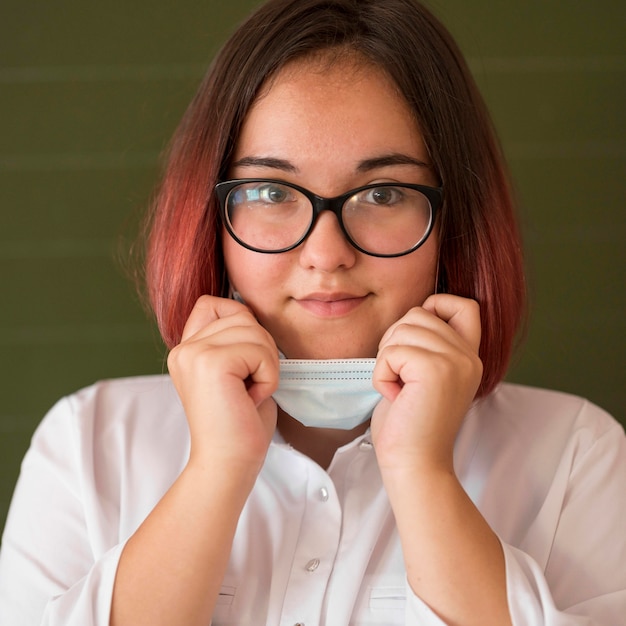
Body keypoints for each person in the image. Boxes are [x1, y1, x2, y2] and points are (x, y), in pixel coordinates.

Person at [1, 0, 625, 624]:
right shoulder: (90, 443)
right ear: (213, 219)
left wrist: (421, 472)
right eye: (271, 192)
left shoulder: (575, 454)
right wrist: (218, 469)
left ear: (453, 222)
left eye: (384, 193)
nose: (326, 254)